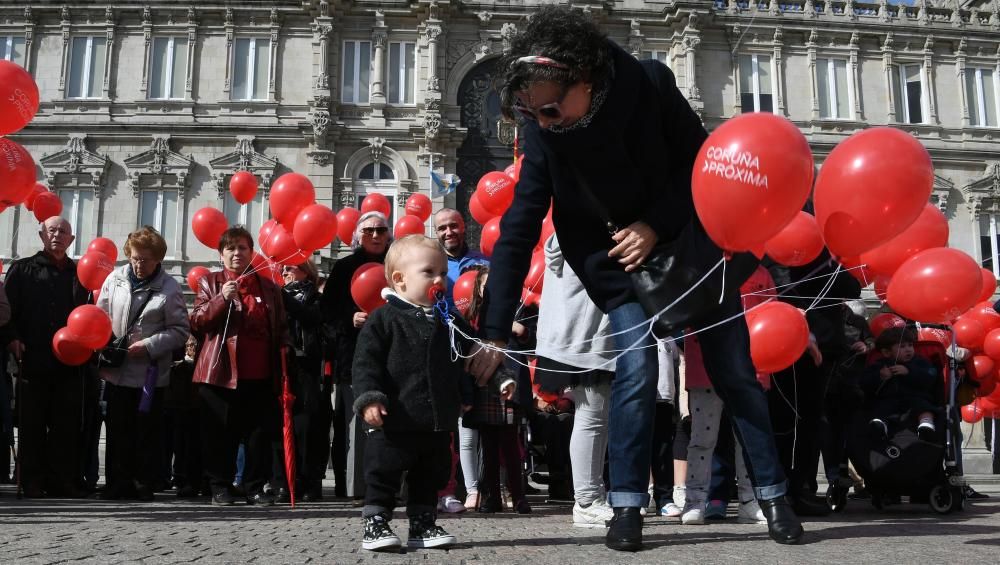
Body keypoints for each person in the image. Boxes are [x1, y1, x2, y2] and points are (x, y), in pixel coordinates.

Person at [470, 6, 802, 550]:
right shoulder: (543, 135)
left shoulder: (648, 83)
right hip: (618, 268)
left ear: (586, 77)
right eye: (531, 112)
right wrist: (496, 331)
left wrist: (655, 224)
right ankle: (626, 506)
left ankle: (773, 495)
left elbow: (701, 162)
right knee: (635, 373)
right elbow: (518, 227)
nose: (543, 121)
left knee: (735, 372)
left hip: (692, 252)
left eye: (551, 108)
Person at [351, 235, 514, 551]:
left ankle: (422, 524)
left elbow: (475, 351)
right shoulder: (383, 319)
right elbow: (365, 363)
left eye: (442, 272)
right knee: (383, 471)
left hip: (437, 418)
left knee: (430, 474)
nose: (440, 279)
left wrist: (501, 378)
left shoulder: (449, 319)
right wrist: (370, 397)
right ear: (400, 280)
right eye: (429, 272)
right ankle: (376, 522)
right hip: (394, 418)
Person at [190, 226, 292, 506]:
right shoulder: (209, 282)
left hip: (260, 374)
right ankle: (219, 485)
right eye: (231, 249)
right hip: (220, 374)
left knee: (258, 435)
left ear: (251, 252)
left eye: (243, 248)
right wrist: (222, 298)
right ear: (221, 254)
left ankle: (254, 486)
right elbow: (198, 321)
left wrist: (285, 355)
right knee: (220, 434)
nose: (237, 254)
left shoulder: (269, 288)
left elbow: (281, 328)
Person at [96, 226, 190, 501]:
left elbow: (180, 330)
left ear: (158, 259)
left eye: (146, 259)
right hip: (116, 371)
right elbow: (100, 316)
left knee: (145, 430)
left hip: (149, 374)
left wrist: (149, 345)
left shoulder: (170, 288)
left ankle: (141, 483)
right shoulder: (114, 279)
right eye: (135, 258)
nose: (140, 264)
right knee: (116, 428)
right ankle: (116, 482)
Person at [1, 217, 90, 498]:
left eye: (63, 232)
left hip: (69, 362)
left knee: (65, 423)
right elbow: (7, 312)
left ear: (72, 240)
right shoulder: (22, 269)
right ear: (42, 235)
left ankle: (62, 479)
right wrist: (12, 338)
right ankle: (31, 479)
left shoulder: (80, 274)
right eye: (52, 230)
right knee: (32, 423)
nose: (57, 236)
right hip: (33, 358)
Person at [534, 233, 616, 527]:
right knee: (592, 416)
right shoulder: (580, 230)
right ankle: (587, 499)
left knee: (595, 416)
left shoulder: (564, 233)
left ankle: (591, 495)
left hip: (575, 335)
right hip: (586, 337)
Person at [320, 211, 391, 501]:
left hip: (390, 358)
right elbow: (326, 312)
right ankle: (348, 486)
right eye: (369, 231)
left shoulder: (395, 265)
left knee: (387, 422)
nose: (375, 235)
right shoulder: (344, 267)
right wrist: (350, 317)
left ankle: (386, 485)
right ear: (358, 236)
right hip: (351, 357)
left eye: (381, 230)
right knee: (350, 424)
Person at [461, 266, 530, 514]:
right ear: (478, 289)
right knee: (488, 446)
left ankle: (519, 495)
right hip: (483, 382)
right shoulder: (473, 316)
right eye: (485, 286)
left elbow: (528, 340)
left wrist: (517, 328)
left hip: (509, 383)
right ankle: (492, 497)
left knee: (512, 445)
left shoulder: (515, 309)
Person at [433, 207, 489, 512]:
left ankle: (488, 487)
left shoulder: (482, 261)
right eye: (441, 228)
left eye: (452, 226)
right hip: (447, 352)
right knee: (450, 427)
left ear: (462, 226)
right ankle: (450, 488)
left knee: (489, 424)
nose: (448, 232)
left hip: (482, 349)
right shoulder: (433, 264)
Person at [277, 259, 328, 502]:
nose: (285, 272)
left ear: (306, 272)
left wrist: (284, 299)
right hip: (281, 364)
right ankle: (283, 480)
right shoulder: (276, 298)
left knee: (307, 424)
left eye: (290, 267)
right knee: (281, 423)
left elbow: (310, 319)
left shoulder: (317, 298)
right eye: (283, 268)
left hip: (307, 364)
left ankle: (310, 479)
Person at [862, 327, 940, 441]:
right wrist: (880, 376)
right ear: (886, 352)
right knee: (881, 407)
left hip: (915, 397)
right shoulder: (880, 365)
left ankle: (926, 424)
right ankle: (879, 425)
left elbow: (931, 376)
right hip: (889, 399)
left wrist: (909, 372)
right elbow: (864, 382)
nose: (908, 349)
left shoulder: (919, 362)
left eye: (910, 345)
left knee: (923, 406)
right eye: (902, 347)